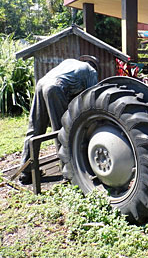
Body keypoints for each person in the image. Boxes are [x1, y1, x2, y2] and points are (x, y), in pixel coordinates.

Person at [19, 55, 99, 184]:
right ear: (94, 65)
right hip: (56, 88)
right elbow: (91, 99)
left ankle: (25, 172)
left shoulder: (69, 62)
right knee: (62, 131)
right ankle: (67, 172)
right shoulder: (91, 71)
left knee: (35, 128)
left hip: (42, 84)